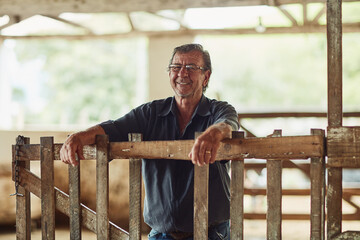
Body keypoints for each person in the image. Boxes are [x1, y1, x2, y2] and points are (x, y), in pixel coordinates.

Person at [60, 43, 239, 240]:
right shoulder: (151, 113)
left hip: (212, 233)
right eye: (176, 67)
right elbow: (114, 128)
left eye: (191, 68)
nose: (182, 73)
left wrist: (212, 134)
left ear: (206, 76)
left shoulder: (219, 110)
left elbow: (228, 124)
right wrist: (76, 137)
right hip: (162, 233)